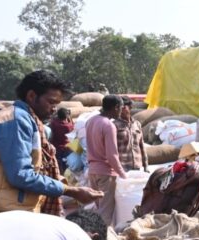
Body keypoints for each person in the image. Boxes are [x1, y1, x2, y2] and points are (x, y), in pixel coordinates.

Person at [0, 70, 102, 217]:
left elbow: (34, 167)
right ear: (32, 96)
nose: (54, 109)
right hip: (8, 210)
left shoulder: (27, 120)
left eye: (56, 104)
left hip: (15, 207)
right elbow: (20, 175)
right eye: (51, 102)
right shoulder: (16, 121)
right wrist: (70, 191)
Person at [85, 94, 128, 226]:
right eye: (121, 108)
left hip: (92, 171)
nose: (121, 112)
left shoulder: (90, 121)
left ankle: (96, 236)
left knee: (99, 208)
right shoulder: (109, 125)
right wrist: (123, 174)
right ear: (115, 107)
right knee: (105, 212)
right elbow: (112, 155)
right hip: (106, 174)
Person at [114, 96, 147, 172]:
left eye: (123, 107)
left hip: (138, 166)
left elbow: (142, 146)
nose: (121, 110)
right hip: (122, 167)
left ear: (130, 107)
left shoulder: (137, 124)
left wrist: (146, 166)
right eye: (119, 107)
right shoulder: (114, 125)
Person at [49, 108, 75, 173]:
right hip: (67, 147)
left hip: (57, 147)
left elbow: (52, 121)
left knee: (58, 164)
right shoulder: (69, 125)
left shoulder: (54, 123)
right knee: (66, 164)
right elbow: (72, 125)